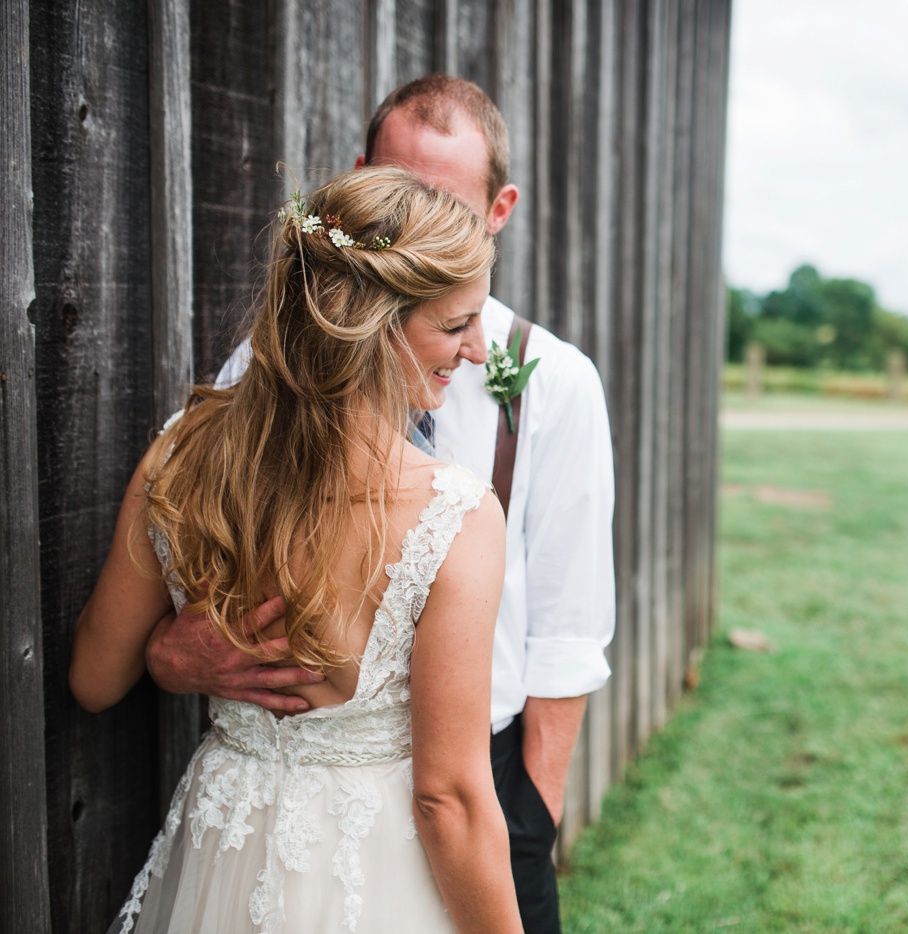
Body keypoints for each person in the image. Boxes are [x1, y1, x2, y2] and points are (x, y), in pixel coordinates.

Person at [144, 75, 616, 933]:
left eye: (443, 202)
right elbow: (199, 547)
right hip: (301, 794)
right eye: (391, 186)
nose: (408, 222)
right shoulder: (261, 374)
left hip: (487, 785)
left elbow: (568, 633)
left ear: (498, 209)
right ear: (357, 181)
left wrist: (529, 817)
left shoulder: (555, 382)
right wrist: (170, 660)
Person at [70, 167, 523, 934]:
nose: (479, 350)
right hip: (371, 877)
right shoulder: (456, 517)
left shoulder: (179, 457)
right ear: (375, 330)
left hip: (221, 848)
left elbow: (91, 679)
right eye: (455, 327)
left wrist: (161, 652)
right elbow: (448, 798)